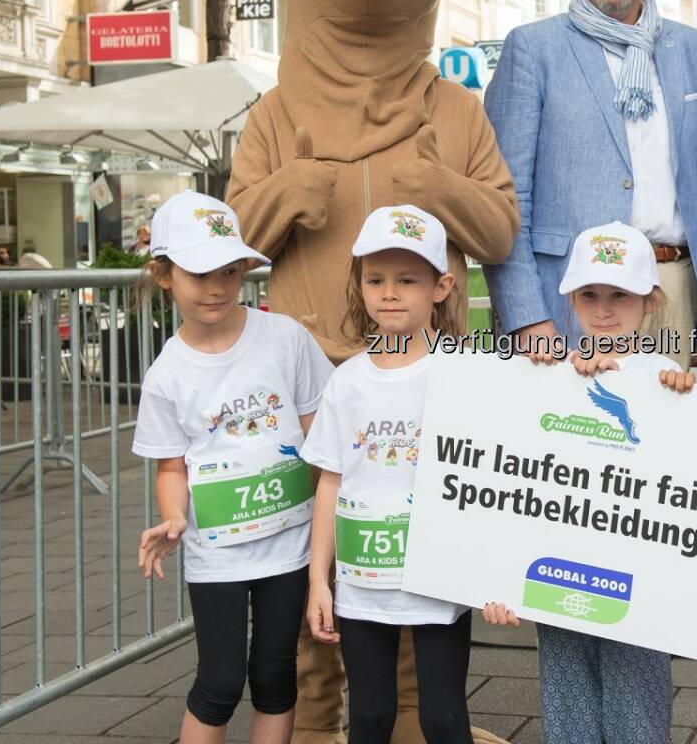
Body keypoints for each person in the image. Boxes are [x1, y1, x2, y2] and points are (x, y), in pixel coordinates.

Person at [483, 0, 697, 372]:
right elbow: (506, 199)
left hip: (671, 289)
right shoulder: (533, 49)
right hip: (574, 298)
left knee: (662, 441)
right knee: (573, 442)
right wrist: (526, 316)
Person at [481, 220, 695, 744]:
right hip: (562, 573)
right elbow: (510, 482)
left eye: (619, 295)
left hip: (634, 579)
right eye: (590, 295)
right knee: (566, 699)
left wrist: (681, 394)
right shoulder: (551, 372)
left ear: (650, 300)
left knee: (635, 708)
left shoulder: (664, 375)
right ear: (572, 300)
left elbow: (691, 473)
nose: (603, 309)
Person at [132, 192, 334, 744]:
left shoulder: (284, 337)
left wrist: (335, 509)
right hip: (216, 552)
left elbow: (323, 433)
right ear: (164, 274)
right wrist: (173, 517)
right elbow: (171, 466)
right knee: (219, 682)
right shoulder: (166, 375)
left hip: (288, 545)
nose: (218, 286)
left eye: (229, 269)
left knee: (275, 674)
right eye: (199, 273)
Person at [300, 205, 473, 744]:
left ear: (440, 286)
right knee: (370, 717)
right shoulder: (346, 382)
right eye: (376, 279)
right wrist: (317, 580)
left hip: (439, 582)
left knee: (443, 717)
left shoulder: (463, 372)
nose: (390, 293)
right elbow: (330, 481)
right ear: (359, 283)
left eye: (407, 279)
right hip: (362, 582)